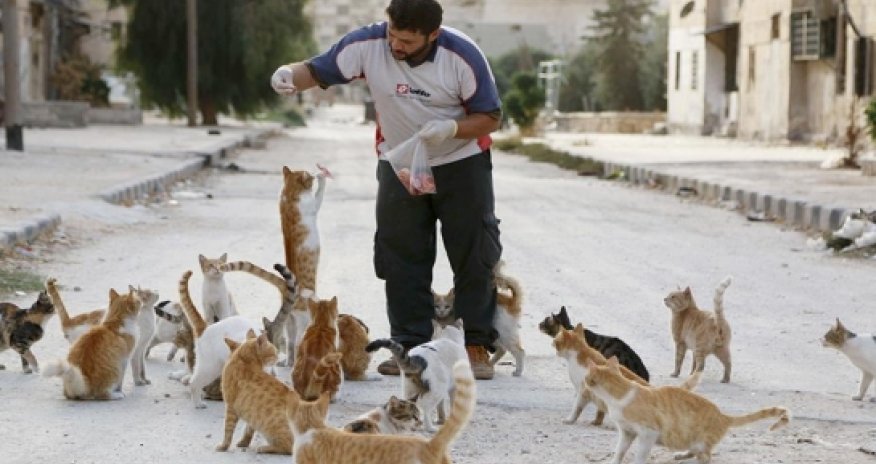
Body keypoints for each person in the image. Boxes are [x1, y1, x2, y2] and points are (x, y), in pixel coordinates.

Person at [270, 0, 502, 379]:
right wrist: (288, 75)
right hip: (399, 162)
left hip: (461, 163)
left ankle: (475, 345)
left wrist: (451, 129)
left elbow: (491, 116)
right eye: (393, 34)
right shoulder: (368, 43)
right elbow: (317, 69)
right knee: (400, 253)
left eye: (407, 41)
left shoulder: (462, 56)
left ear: (433, 35)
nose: (396, 45)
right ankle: (408, 345)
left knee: (473, 251)